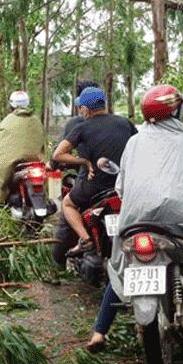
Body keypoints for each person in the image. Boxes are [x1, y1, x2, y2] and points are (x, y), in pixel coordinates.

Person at [88, 84, 183, 352]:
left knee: (121, 268)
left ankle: (98, 332)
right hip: (171, 222)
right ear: (175, 111)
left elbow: (122, 184)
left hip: (136, 221)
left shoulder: (135, 141)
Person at [51, 86, 138, 267]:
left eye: (80, 107)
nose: (80, 110)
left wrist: (83, 162)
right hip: (125, 185)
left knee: (67, 204)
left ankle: (85, 240)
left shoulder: (82, 127)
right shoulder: (124, 123)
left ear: (86, 109)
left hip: (95, 185)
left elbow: (57, 155)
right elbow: (139, 146)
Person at [0, 90, 47, 204]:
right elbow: (42, 141)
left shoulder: (7, 121)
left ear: (11, 105)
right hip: (36, 162)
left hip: (14, 163)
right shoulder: (36, 120)